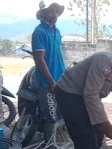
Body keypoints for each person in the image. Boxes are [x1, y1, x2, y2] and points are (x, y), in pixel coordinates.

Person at [31, 1, 66, 140]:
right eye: (51, 11)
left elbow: (58, 55)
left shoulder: (57, 32)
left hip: (61, 79)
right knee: (50, 115)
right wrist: (51, 81)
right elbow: (39, 59)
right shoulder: (39, 32)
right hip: (47, 82)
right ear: (43, 14)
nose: (54, 14)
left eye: (56, 11)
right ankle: (49, 146)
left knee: (61, 112)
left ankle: (58, 143)